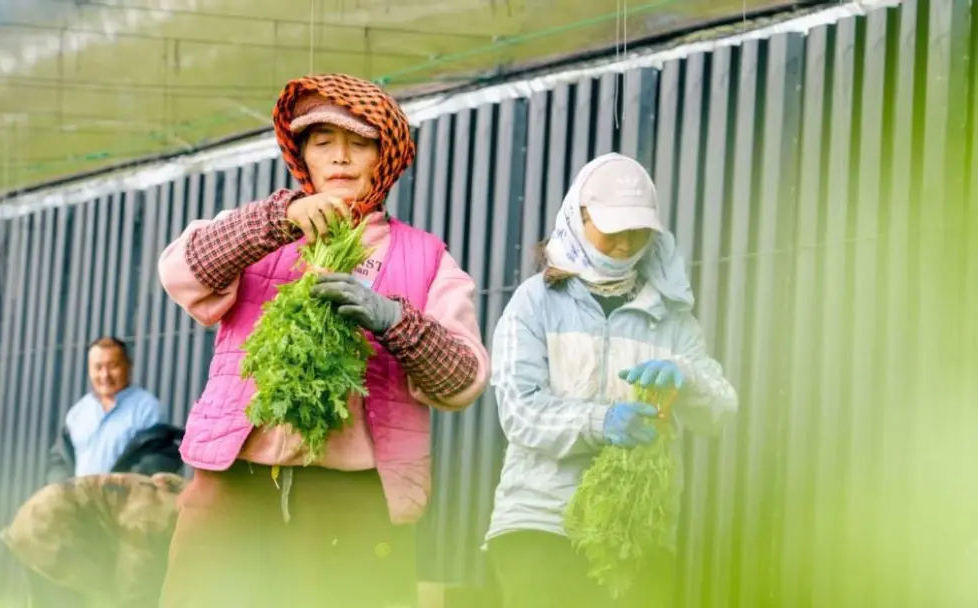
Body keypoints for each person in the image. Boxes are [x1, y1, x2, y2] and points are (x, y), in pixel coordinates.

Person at [156, 73, 490, 607]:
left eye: (359, 143)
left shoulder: (425, 257)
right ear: (302, 156)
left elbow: (464, 379)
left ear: (385, 158)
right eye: (322, 142)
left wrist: (393, 320)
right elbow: (181, 271)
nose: (340, 157)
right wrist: (278, 219)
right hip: (236, 484)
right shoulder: (266, 228)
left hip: (351, 498)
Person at [484, 153, 738, 607]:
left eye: (637, 232)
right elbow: (520, 411)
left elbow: (720, 412)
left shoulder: (671, 316)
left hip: (635, 534)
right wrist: (601, 422)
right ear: (579, 219)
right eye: (613, 230)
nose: (624, 244)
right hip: (541, 525)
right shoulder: (535, 302)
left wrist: (688, 378)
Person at [0, 472, 187, 607]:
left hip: (43, 519)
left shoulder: (174, 500)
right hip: (51, 525)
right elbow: (135, 587)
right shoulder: (157, 519)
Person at [46, 337, 181, 483]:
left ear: (128, 366)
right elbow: (59, 460)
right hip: (79, 497)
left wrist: (117, 490)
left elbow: (156, 460)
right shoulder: (77, 413)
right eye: (98, 367)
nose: (105, 375)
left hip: (125, 496)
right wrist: (63, 487)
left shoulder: (148, 409)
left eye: (113, 366)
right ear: (89, 370)